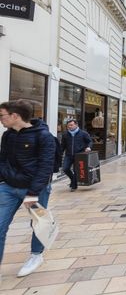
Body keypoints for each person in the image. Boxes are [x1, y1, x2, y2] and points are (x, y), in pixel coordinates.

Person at [0, 100, 56, 278]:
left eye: (2, 115)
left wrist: (33, 193)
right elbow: (3, 160)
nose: (1, 119)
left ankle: (36, 255)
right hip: (8, 187)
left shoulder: (44, 136)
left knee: (38, 224)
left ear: (15, 116)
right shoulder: (7, 135)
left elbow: (46, 166)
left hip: (34, 189)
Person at [60, 119, 92, 191]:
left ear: (76, 125)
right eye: (68, 126)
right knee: (65, 168)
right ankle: (73, 180)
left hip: (79, 155)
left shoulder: (83, 133)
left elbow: (89, 141)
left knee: (76, 170)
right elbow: (63, 145)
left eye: (71, 125)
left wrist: (88, 147)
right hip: (68, 155)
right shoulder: (65, 134)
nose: (70, 127)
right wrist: (60, 153)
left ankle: (74, 186)